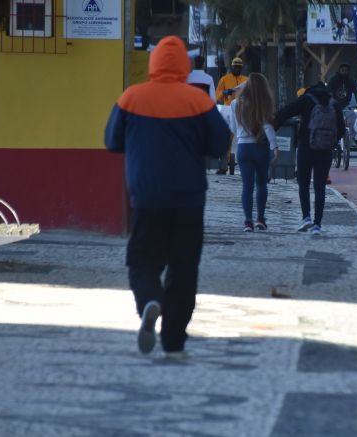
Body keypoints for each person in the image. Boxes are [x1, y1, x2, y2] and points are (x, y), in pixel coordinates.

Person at [104, 36, 230, 358]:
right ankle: (174, 342)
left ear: (154, 63)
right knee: (184, 269)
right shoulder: (198, 101)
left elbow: (111, 141)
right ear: (184, 67)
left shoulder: (131, 98)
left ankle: (150, 301)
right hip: (189, 200)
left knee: (142, 261)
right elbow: (218, 146)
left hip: (147, 198)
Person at [274, 81, 345, 236]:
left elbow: (287, 111)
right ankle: (317, 225)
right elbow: (341, 129)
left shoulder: (307, 99)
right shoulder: (333, 103)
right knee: (320, 187)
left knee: (303, 183)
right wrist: (330, 142)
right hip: (325, 151)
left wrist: (273, 124)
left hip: (306, 147)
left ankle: (306, 217)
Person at [229, 73, 279, 232]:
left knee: (247, 186)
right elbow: (267, 127)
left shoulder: (235, 104)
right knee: (261, 184)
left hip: (243, 148)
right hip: (260, 147)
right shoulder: (263, 104)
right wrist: (274, 146)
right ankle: (261, 219)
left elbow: (232, 128)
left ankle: (248, 222)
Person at [215, 57, 248, 174]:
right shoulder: (224, 79)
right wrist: (224, 92)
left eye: (239, 67)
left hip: (242, 111)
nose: (237, 69)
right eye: (235, 67)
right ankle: (225, 163)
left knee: (244, 137)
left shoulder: (246, 80)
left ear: (241, 68)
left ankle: (245, 162)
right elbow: (217, 95)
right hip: (228, 111)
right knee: (227, 137)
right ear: (232, 67)